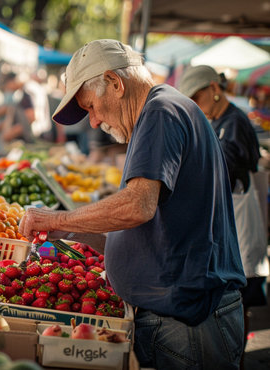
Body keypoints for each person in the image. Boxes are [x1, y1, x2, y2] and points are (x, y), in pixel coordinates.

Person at [19, 39, 246, 369]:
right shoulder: (157, 113)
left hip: (190, 321)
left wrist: (58, 220)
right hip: (182, 318)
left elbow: (137, 206)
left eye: (91, 107)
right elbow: (147, 231)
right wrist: (71, 232)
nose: (93, 123)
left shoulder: (160, 113)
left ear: (115, 83)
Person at [178, 64, 269, 364]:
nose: (196, 105)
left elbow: (225, 171)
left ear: (214, 90)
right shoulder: (217, 120)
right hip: (227, 216)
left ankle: (236, 356)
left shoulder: (235, 122)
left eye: (197, 96)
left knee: (238, 291)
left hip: (241, 216)